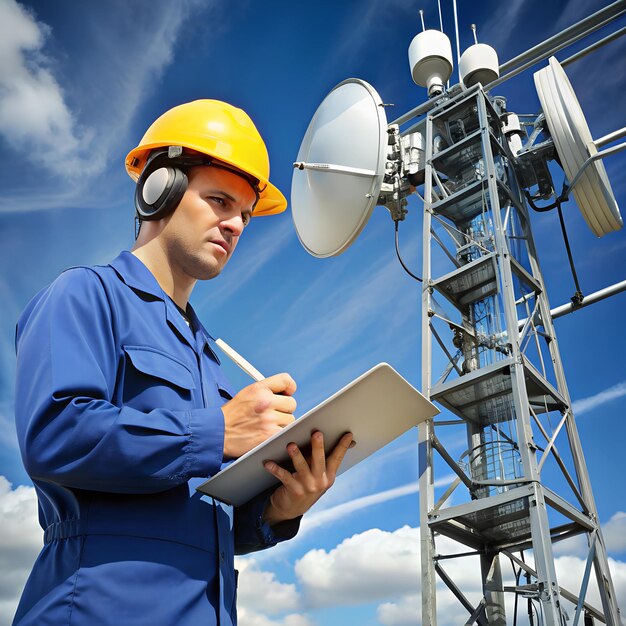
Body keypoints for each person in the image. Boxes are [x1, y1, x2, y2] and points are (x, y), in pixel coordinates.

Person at [13, 99, 353, 625]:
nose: (236, 224)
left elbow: (199, 521)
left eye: (244, 213)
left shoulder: (208, 359)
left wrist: (280, 509)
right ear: (159, 189)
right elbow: (54, 435)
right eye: (219, 200)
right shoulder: (85, 295)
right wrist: (214, 432)